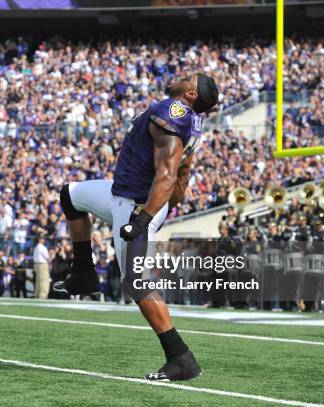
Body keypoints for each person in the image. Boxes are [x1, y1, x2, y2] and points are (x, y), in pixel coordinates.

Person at [54, 74, 218, 381]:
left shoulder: (173, 112)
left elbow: (169, 174)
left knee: (136, 282)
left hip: (136, 206)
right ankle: (83, 274)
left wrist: (145, 218)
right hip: (120, 195)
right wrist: (169, 207)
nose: (179, 77)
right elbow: (184, 175)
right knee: (70, 195)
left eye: (187, 79)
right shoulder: (191, 121)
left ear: (192, 95)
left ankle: (180, 357)